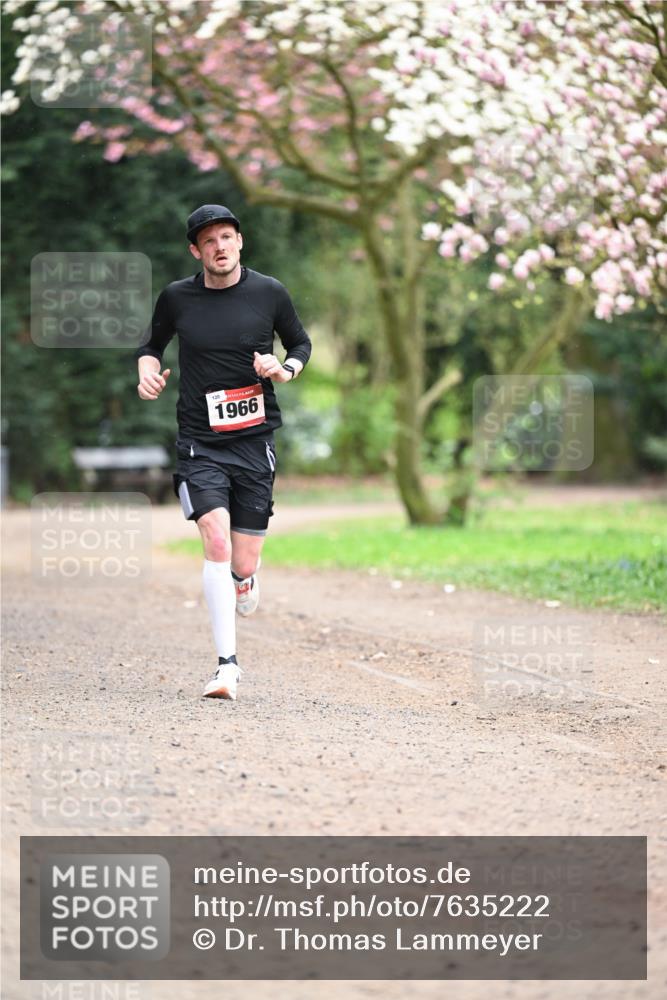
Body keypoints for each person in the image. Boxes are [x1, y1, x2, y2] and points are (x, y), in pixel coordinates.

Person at [136, 204, 311, 701]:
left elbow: (299, 343)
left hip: (254, 442)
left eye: (227, 237)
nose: (220, 246)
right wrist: (147, 370)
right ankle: (227, 667)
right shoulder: (177, 298)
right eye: (209, 240)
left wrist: (284, 370)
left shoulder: (268, 292)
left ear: (240, 242)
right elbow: (151, 345)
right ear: (196, 250)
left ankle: (243, 579)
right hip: (199, 442)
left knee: (245, 558)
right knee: (215, 539)